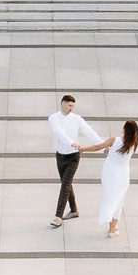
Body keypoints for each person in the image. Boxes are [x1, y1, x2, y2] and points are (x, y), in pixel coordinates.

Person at [46, 93, 103, 226]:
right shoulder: (53, 118)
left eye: (73, 106)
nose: (71, 108)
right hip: (60, 156)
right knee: (66, 183)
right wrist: (71, 142)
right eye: (69, 105)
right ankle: (74, 210)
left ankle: (58, 217)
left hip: (73, 156)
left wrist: (102, 145)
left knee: (65, 185)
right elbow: (59, 132)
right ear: (63, 104)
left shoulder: (77, 119)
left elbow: (89, 131)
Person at [99, 120, 138, 237]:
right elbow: (120, 153)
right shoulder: (133, 144)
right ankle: (112, 229)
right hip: (122, 175)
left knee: (111, 198)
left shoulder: (113, 140)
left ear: (125, 129)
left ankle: (112, 228)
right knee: (118, 200)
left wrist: (83, 149)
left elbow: (98, 146)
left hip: (110, 172)